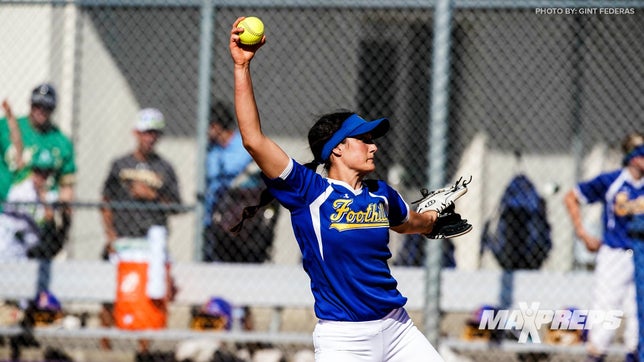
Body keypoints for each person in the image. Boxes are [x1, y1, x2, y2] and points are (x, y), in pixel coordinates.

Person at [229, 17, 446, 361]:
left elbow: (408, 222)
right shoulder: (308, 191)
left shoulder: (381, 194)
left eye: (373, 140)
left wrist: (433, 220)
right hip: (345, 338)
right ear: (338, 149)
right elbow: (253, 140)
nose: (373, 147)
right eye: (364, 139)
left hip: (398, 329)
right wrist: (242, 67)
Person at [99, 107, 181, 357]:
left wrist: (152, 195)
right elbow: (105, 200)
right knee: (108, 294)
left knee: (151, 297)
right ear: (136, 133)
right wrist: (110, 236)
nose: (150, 138)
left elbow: (177, 205)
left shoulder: (165, 168)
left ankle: (142, 351)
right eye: (146, 132)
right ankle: (105, 347)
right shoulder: (120, 164)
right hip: (122, 241)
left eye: (155, 133)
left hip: (151, 244)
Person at [564, 131, 644, 362]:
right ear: (631, 156)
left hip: (641, 255)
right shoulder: (612, 181)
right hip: (615, 255)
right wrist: (582, 233)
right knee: (605, 313)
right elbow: (572, 197)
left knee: (638, 320)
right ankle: (596, 356)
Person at [0, 83, 76, 206]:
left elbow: (67, 185)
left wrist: (63, 214)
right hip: (5, 207)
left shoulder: (62, 142)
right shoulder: (5, 128)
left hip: (41, 212)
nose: (41, 110)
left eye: (47, 107)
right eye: (37, 105)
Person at [202, 100, 255, 262]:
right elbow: (211, 171)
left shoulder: (242, 145)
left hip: (238, 219)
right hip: (212, 217)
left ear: (216, 127)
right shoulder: (212, 148)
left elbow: (230, 168)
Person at [0, 148, 70, 261]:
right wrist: (45, 204)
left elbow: (55, 220)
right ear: (32, 171)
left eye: (46, 173)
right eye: (39, 171)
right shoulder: (21, 191)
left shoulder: (50, 195)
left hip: (27, 250)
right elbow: (42, 218)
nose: (42, 177)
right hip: (7, 243)